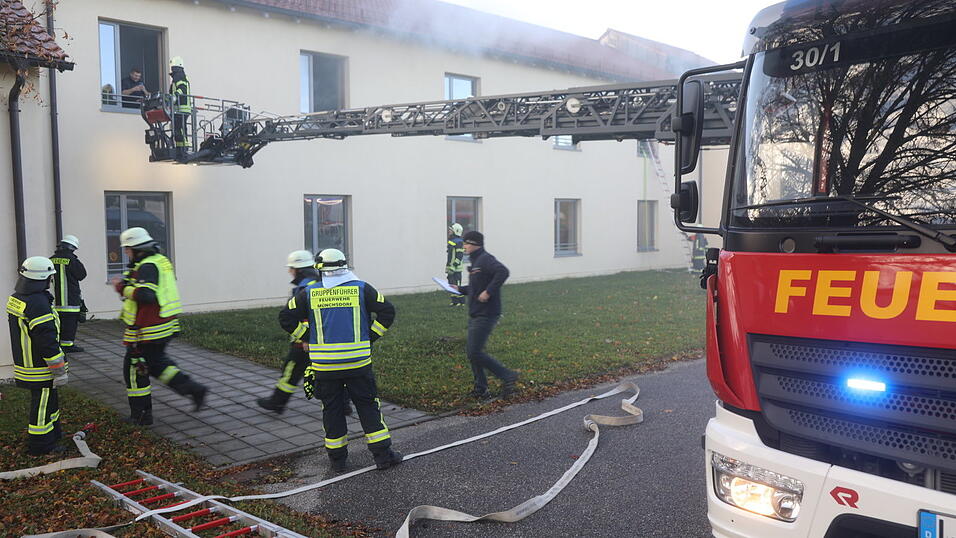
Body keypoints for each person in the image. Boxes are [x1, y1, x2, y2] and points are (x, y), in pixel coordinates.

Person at [279, 248, 400, 472]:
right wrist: (371, 336)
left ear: (320, 269)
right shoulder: (362, 288)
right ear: (345, 265)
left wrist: (307, 337)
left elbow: (285, 317)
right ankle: (383, 456)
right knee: (368, 407)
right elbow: (387, 312)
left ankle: (337, 461)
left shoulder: (308, 293)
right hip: (358, 363)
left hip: (324, 365)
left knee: (331, 409)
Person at [112, 227, 207, 425]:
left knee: (134, 369)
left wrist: (123, 287)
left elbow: (147, 295)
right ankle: (194, 389)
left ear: (136, 248)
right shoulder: (159, 260)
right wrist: (130, 280)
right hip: (163, 325)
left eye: (127, 249)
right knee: (156, 365)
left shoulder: (147, 266)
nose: (126, 253)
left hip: (148, 329)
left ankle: (141, 416)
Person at [258, 250, 352, 415]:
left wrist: (305, 339)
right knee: (327, 372)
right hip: (318, 339)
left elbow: (305, 316)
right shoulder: (318, 282)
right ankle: (343, 404)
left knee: (292, 371)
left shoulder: (304, 288)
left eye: (291, 268)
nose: (289, 271)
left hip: (304, 342)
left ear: (298, 269)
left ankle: (277, 402)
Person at [7, 257, 69, 456]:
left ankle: (53, 435)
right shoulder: (38, 302)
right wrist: (58, 368)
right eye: (50, 277)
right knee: (42, 405)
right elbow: (46, 339)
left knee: (49, 400)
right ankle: (41, 446)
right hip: (39, 366)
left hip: (26, 363)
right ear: (44, 278)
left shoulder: (18, 297)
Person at [453, 231, 519, 399]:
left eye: (466, 244)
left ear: (474, 244)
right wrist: (459, 289)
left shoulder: (485, 259)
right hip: (477, 313)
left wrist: (488, 292)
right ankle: (481, 388)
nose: (464, 247)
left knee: (474, 352)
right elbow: (476, 288)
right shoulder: (476, 262)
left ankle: (507, 375)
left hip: (486, 313)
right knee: (472, 352)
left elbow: (503, 272)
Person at [50, 235, 87, 353]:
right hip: (70, 300)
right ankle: (68, 345)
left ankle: (58, 344)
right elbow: (82, 275)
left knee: (57, 323)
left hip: (54, 300)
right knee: (70, 323)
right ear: (72, 248)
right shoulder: (72, 260)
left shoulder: (50, 260)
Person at [168, 57, 192, 162]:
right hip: (179, 109)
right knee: (178, 128)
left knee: (180, 128)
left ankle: (183, 148)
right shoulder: (177, 77)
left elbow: (182, 89)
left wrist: (175, 95)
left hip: (182, 109)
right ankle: (180, 148)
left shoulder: (180, 76)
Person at [445, 223, 465, 307]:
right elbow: (450, 256)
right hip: (451, 267)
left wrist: (453, 266)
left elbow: (459, 256)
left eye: (451, 230)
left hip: (456, 268)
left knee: (457, 284)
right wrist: (448, 267)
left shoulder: (459, 242)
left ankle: (461, 302)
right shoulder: (452, 241)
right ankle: (454, 301)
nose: (449, 231)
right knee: (451, 284)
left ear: (456, 231)